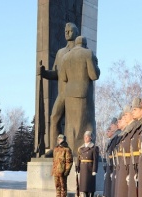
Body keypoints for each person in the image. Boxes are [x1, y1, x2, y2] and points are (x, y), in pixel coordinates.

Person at [38, 22, 79, 152]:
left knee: (73, 123)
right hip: (62, 93)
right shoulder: (60, 53)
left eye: (70, 31)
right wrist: (44, 73)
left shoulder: (80, 52)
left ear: (76, 33)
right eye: (65, 31)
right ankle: (57, 149)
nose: (67, 33)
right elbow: (56, 73)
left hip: (74, 93)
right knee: (54, 117)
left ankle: (74, 147)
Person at [59, 36, 100, 155]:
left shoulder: (66, 56)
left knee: (71, 124)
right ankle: (85, 152)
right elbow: (94, 75)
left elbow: (63, 77)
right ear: (85, 44)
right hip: (84, 93)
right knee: (86, 123)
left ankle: (71, 151)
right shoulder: (88, 53)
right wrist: (96, 64)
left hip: (70, 94)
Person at [76, 130, 99, 197]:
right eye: (85, 137)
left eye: (87, 137)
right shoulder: (81, 148)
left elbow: (95, 160)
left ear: (90, 138)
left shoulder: (94, 148)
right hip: (83, 169)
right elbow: (79, 159)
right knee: (83, 188)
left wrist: (94, 170)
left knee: (90, 187)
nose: (85, 138)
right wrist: (78, 168)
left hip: (90, 169)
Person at [103, 118, 120, 197]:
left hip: (114, 163)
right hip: (110, 163)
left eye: (112, 125)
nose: (111, 126)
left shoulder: (118, 135)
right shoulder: (114, 137)